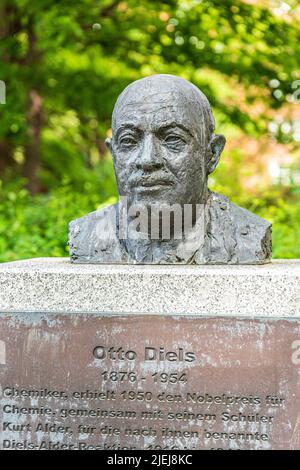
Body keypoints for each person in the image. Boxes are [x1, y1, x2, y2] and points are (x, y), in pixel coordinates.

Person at [69, 74, 271, 264]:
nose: (147, 160)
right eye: (129, 141)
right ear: (113, 154)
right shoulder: (87, 234)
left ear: (212, 154)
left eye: (172, 139)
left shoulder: (247, 236)